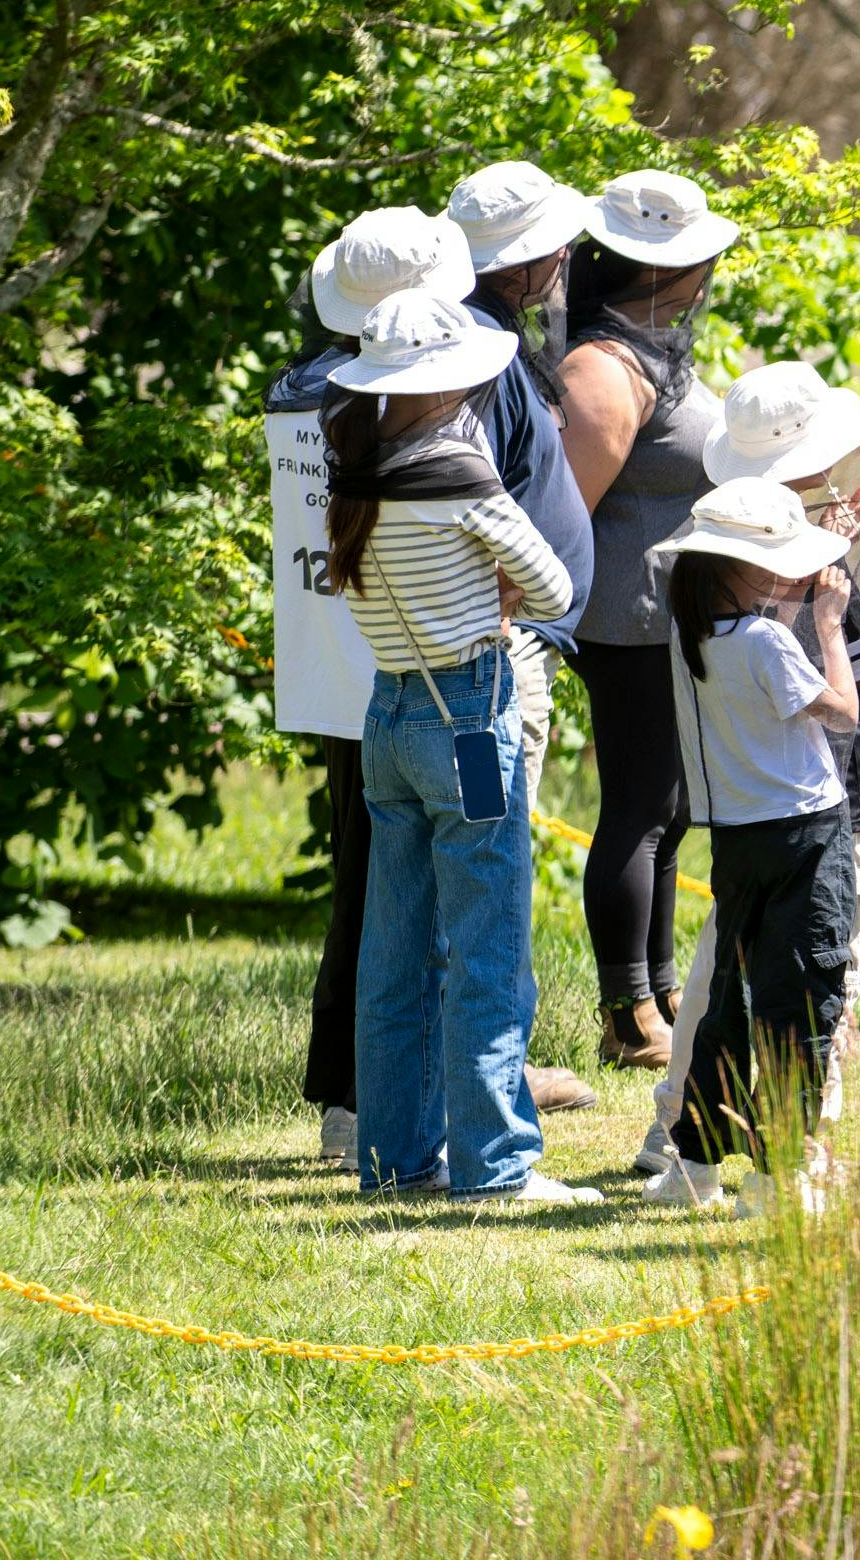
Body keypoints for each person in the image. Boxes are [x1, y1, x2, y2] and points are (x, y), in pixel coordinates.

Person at [274, 207, 591, 1170]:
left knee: (393, 947)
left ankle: (392, 1154)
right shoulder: (460, 474)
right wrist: (499, 586)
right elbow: (554, 588)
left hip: (390, 716)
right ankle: (495, 1160)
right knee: (487, 936)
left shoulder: (353, 468)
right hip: (472, 720)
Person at [635, 361, 860, 1185]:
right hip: (813, 821)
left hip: (739, 827)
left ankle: (686, 1143)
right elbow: (854, 696)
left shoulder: (694, 625)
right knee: (809, 989)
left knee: (726, 986)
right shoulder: (778, 619)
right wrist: (826, 602)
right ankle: (793, 1158)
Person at [557, 170, 738, 1072]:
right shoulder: (604, 367)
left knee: (667, 810)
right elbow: (566, 508)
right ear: (668, 269)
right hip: (627, 621)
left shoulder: (644, 349)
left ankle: (660, 993)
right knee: (637, 808)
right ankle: (627, 1013)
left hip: (661, 618)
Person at [444, 161, 600, 828]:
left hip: (501, 650)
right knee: (490, 840)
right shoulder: (482, 351)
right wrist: (501, 605)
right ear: (517, 266)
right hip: (498, 661)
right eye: (551, 247)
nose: (565, 256)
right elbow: (465, 483)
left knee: (477, 838)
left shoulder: (480, 335)